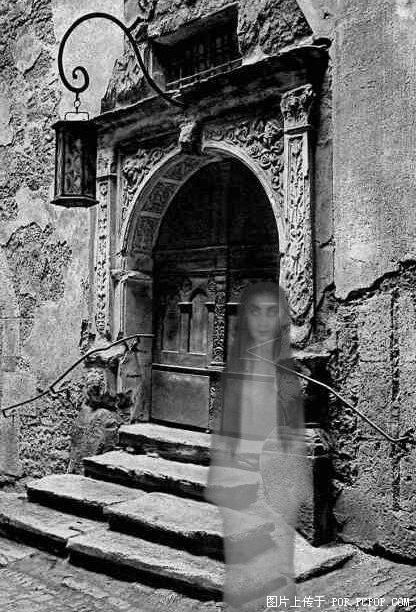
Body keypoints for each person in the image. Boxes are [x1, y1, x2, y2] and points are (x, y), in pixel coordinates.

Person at [205, 282, 308, 612]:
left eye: (271, 312)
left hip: (274, 473)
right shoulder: (237, 364)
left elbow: (293, 429)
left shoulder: (289, 369)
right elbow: (227, 427)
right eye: (255, 312)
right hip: (239, 474)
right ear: (244, 316)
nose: (263, 321)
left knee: (277, 559)